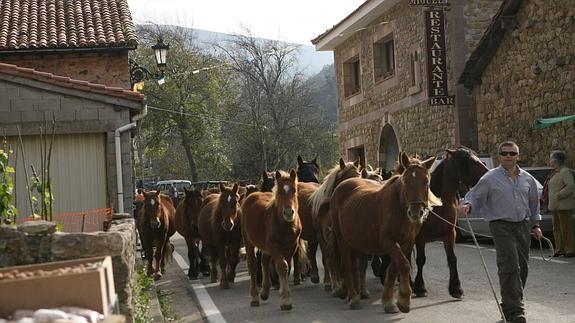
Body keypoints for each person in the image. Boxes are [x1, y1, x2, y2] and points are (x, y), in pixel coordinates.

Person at [459, 141, 541, 323]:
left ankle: (509, 303)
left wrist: (536, 226)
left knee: (523, 267)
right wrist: (467, 204)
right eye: (505, 153)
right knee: (509, 264)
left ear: (518, 156)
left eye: (512, 153)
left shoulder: (527, 179)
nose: (508, 156)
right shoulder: (489, 178)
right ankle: (516, 310)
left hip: (523, 225)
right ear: (499, 156)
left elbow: (534, 204)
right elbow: (475, 195)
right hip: (501, 225)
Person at [546, 150, 575, 257]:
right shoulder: (555, 172)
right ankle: (559, 249)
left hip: (563, 205)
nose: (550, 161)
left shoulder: (565, 172)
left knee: (566, 228)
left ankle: (569, 249)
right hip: (555, 205)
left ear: (556, 160)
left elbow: (571, 185)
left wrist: (559, 194)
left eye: (551, 159)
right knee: (556, 228)